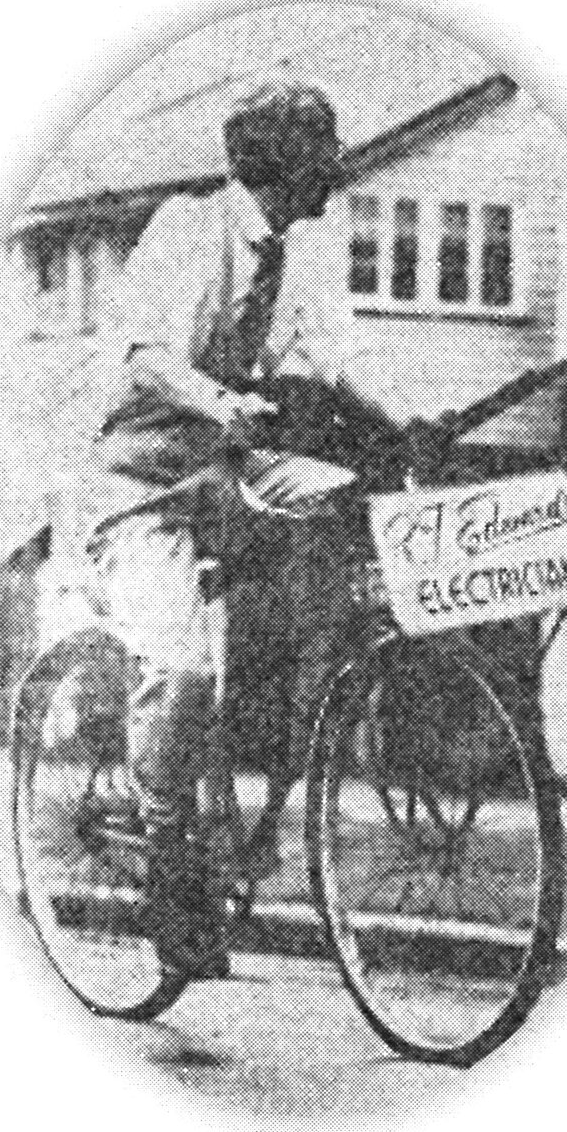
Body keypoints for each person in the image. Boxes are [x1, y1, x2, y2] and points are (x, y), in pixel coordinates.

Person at [89, 82, 372, 972]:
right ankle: (168, 867)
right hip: (142, 477)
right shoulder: (186, 227)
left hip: (230, 468)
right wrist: (219, 400)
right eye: (322, 157)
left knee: (346, 500)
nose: (334, 176)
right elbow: (142, 354)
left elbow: (327, 357)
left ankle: (295, 725)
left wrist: (407, 421)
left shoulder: (296, 250)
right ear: (282, 164)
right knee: (175, 671)